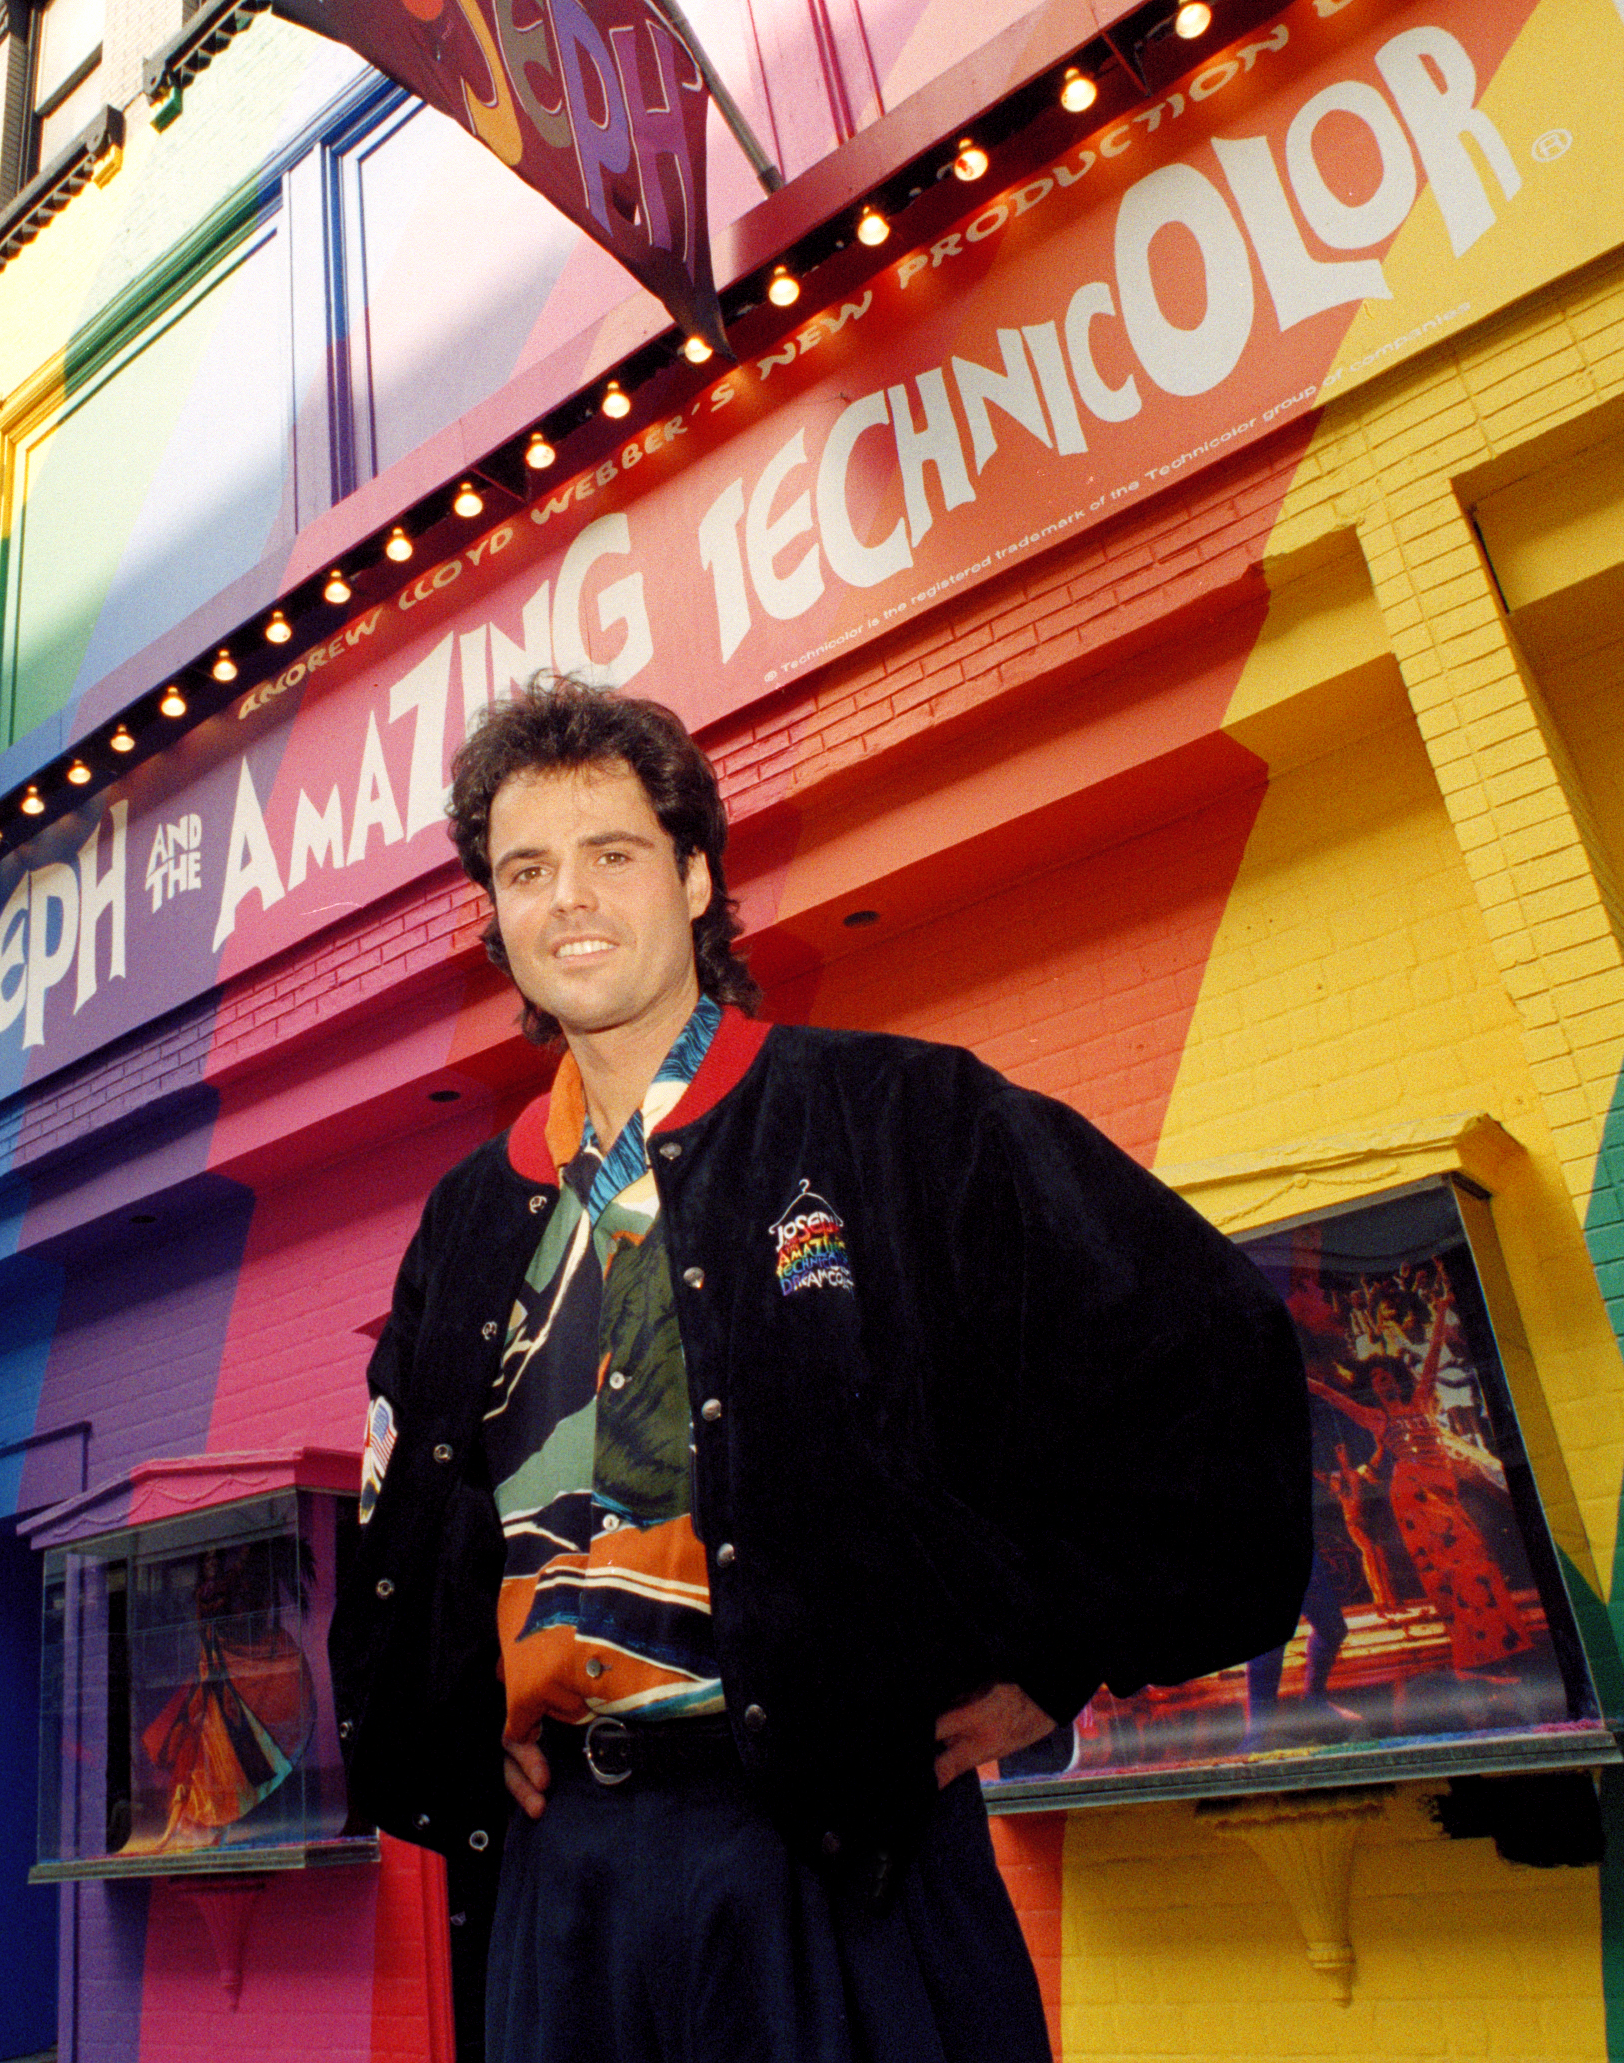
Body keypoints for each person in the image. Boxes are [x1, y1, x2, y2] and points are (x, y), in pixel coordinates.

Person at [329, 678, 1311, 2062]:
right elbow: (399, 1528)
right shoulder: (469, 1215)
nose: (569, 899)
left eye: (612, 852)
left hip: (828, 1851)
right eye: (525, 869)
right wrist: (443, 1725)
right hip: (563, 1886)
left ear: (693, 874)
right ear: (491, 914)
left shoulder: (901, 1116)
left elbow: (1204, 1353)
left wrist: (1063, 1641)